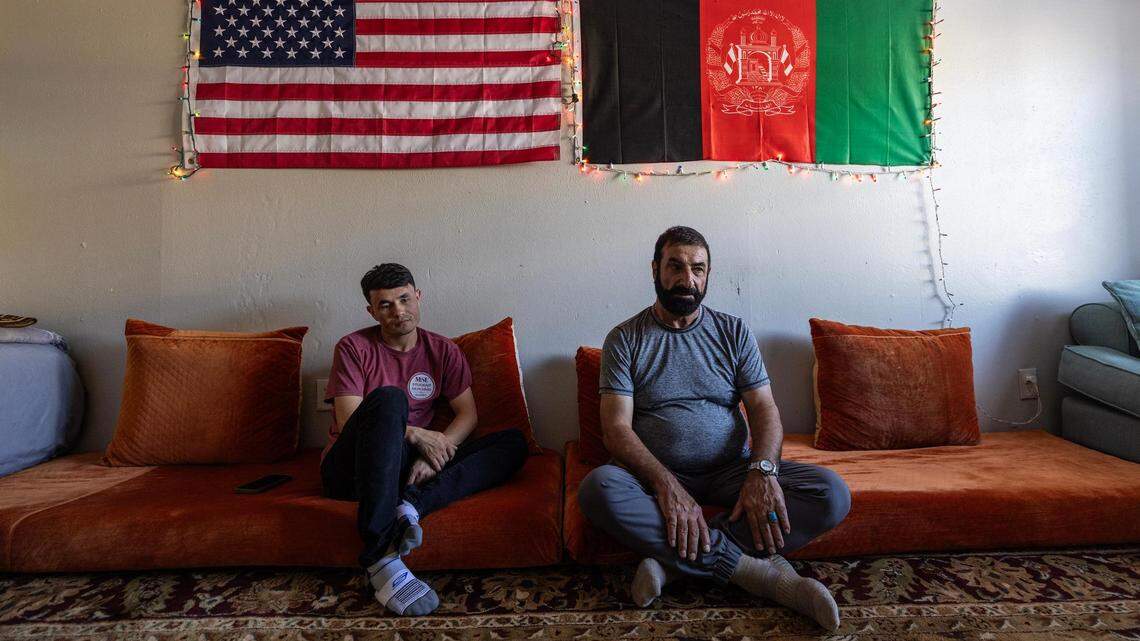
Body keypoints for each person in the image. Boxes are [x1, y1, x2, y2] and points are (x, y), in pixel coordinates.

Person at [578, 226, 851, 631]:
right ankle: (762, 575)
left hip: (731, 471)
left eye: (698, 269)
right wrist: (668, 485)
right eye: (676, 266)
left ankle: (673, 567)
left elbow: (765, 410)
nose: (687, 279)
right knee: (597, 488)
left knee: (831, 494)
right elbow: (615, 428)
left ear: (708, 275)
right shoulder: (625, 339)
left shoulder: (733, 332)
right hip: (653, 478)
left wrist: (762, 473)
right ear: (655, 270)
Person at [322, 263, 528, 616]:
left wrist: (435, 454)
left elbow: (468, 415)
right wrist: (419, 435)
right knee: (389, 398)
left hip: (406, 468)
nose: (398, 311)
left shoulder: (442, 350)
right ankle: (381, 556)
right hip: (353, 469)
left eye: (404, 299)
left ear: (418, 297)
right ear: (372, 311)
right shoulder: (353, 347)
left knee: (511, 443)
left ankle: (410, 506)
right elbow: (348, 421)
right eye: (385, 304)